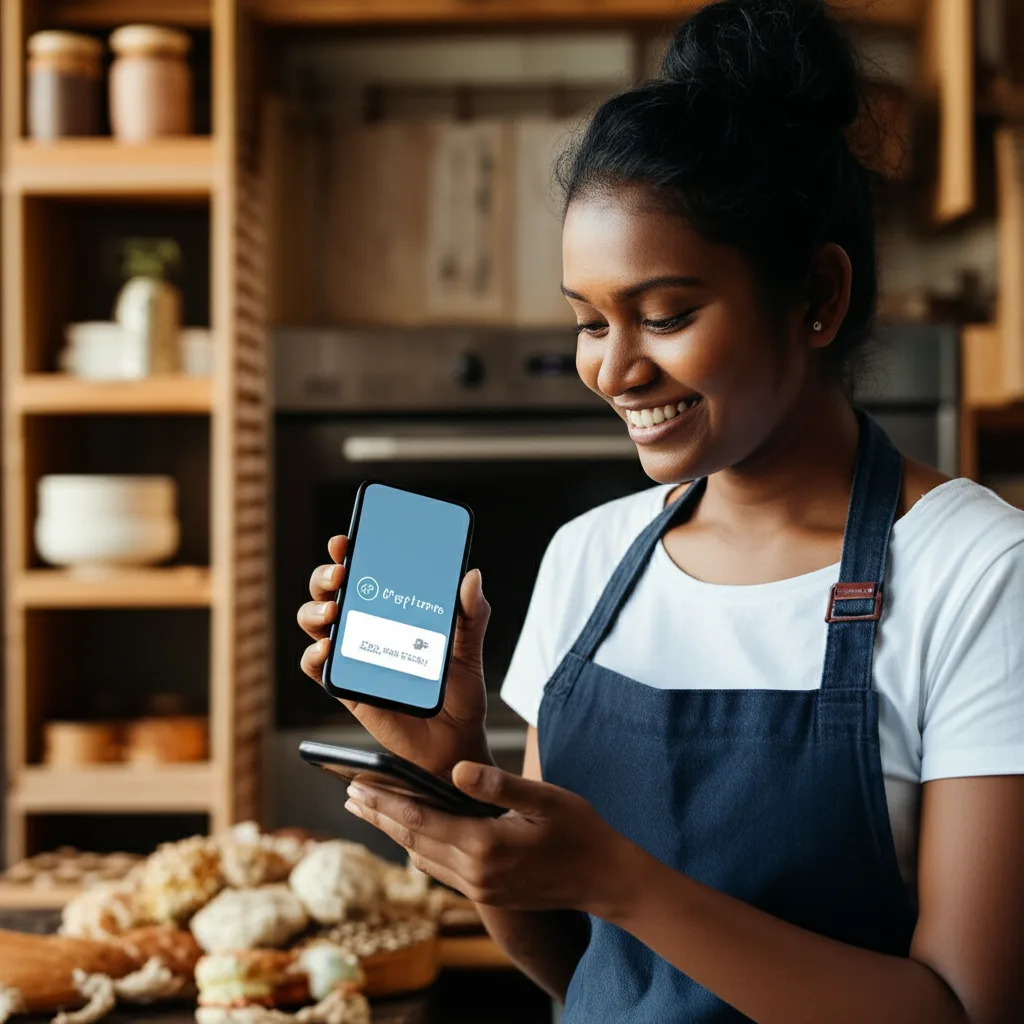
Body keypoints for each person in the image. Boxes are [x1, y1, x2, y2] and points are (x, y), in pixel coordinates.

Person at [296, 1, 1024, 1019]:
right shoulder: (587, 559)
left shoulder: (979, 573)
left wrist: (620, 880)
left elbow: (968, 1008)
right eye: (589, 321)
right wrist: (450, 762)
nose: (614, 368)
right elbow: (583, 971)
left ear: (816, 294)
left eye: (665, 314)